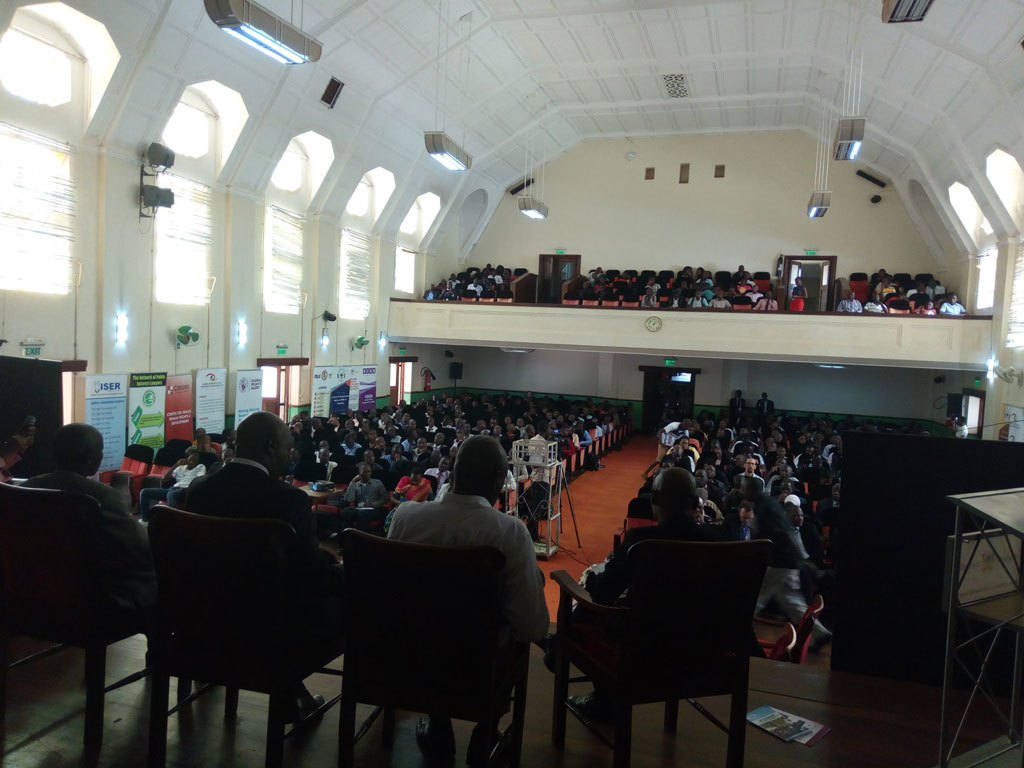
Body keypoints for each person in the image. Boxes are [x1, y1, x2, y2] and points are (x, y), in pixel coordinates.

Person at [387, 435, 548, 760]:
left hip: (411, 657)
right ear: (498, 480)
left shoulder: (405, 517)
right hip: (478, 666)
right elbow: (532, 627)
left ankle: (437, 724)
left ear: (454, 471)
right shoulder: (510, 533)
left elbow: (391, 597)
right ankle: (486, 729)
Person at [184, 411, 344, 721]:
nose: (290, 455)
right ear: (271, 446)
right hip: (271, 635)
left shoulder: (200, 490)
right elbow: (311, 579)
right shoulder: (288, 500)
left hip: (204, 623)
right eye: (287, 447)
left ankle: (292, 696)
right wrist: (339, 572)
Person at [570, 468, 719, 719]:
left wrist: (592, 579)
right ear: (695, 503)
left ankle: (603, 697)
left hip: (643, 652)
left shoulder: (641, 541)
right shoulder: (719, 542)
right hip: (705, 652)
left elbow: (604, 592)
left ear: (655, 499)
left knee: (585, 612)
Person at [22, 423, 156, 620]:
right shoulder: (103, 497)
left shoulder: (26, 489)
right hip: (97, 603)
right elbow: (140, 551)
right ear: (90, 457)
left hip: (33, 594)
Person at [745, 478, 831, 648]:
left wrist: (801, 559)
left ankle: (742, 636)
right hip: (783, 563)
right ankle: (821, 633)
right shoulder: (764, 504)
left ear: (753, 490)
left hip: (780, 563)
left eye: (746, 489)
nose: (744, 492)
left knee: (755, 600)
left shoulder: (766, 507)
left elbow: (785, 534)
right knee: (792, 602)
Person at [138, 448, 207, 521]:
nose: (194, 462)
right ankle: (145, 520)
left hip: (187, 490)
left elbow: (199, 480)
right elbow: (165, 479)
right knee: (144, 492)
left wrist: (186, 488)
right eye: (191, 460)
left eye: (196, 460)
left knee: (171, 494)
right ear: (186, 460)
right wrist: (176, 464)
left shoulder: (200, 467)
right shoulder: (180, 468)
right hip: (173, 489)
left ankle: (174, 523)